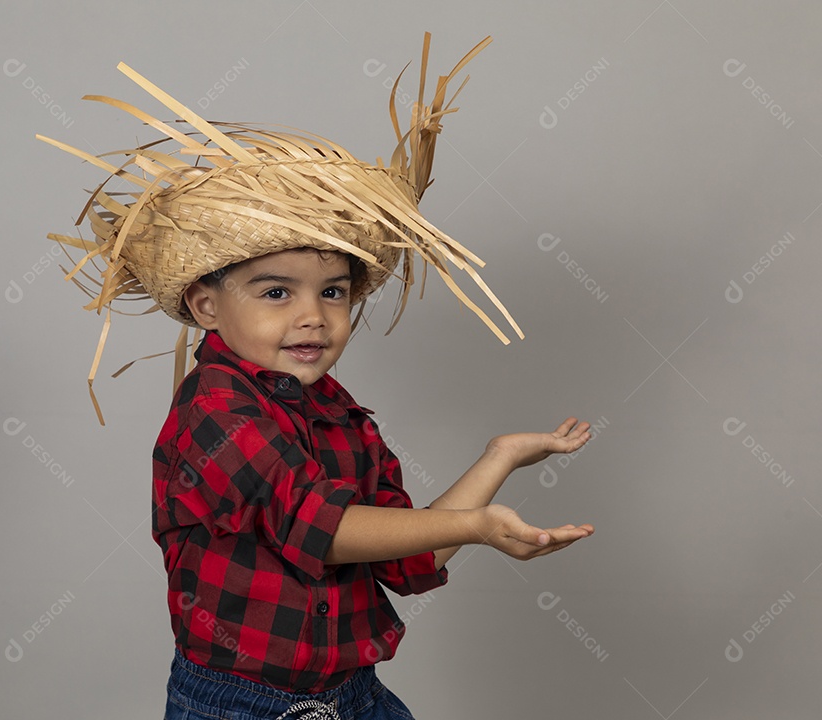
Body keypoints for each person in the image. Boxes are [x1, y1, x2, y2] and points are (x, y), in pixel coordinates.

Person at [38, 31, 594, 720]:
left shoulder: (336, 411)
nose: (314, 317)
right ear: (205, 304)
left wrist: (497, 461)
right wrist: (478, 525)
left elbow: (408, 555)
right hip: (243, 705)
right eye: (277, 293)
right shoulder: (215, 412)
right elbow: (322, 527)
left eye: (333, 292)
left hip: (351, 696)